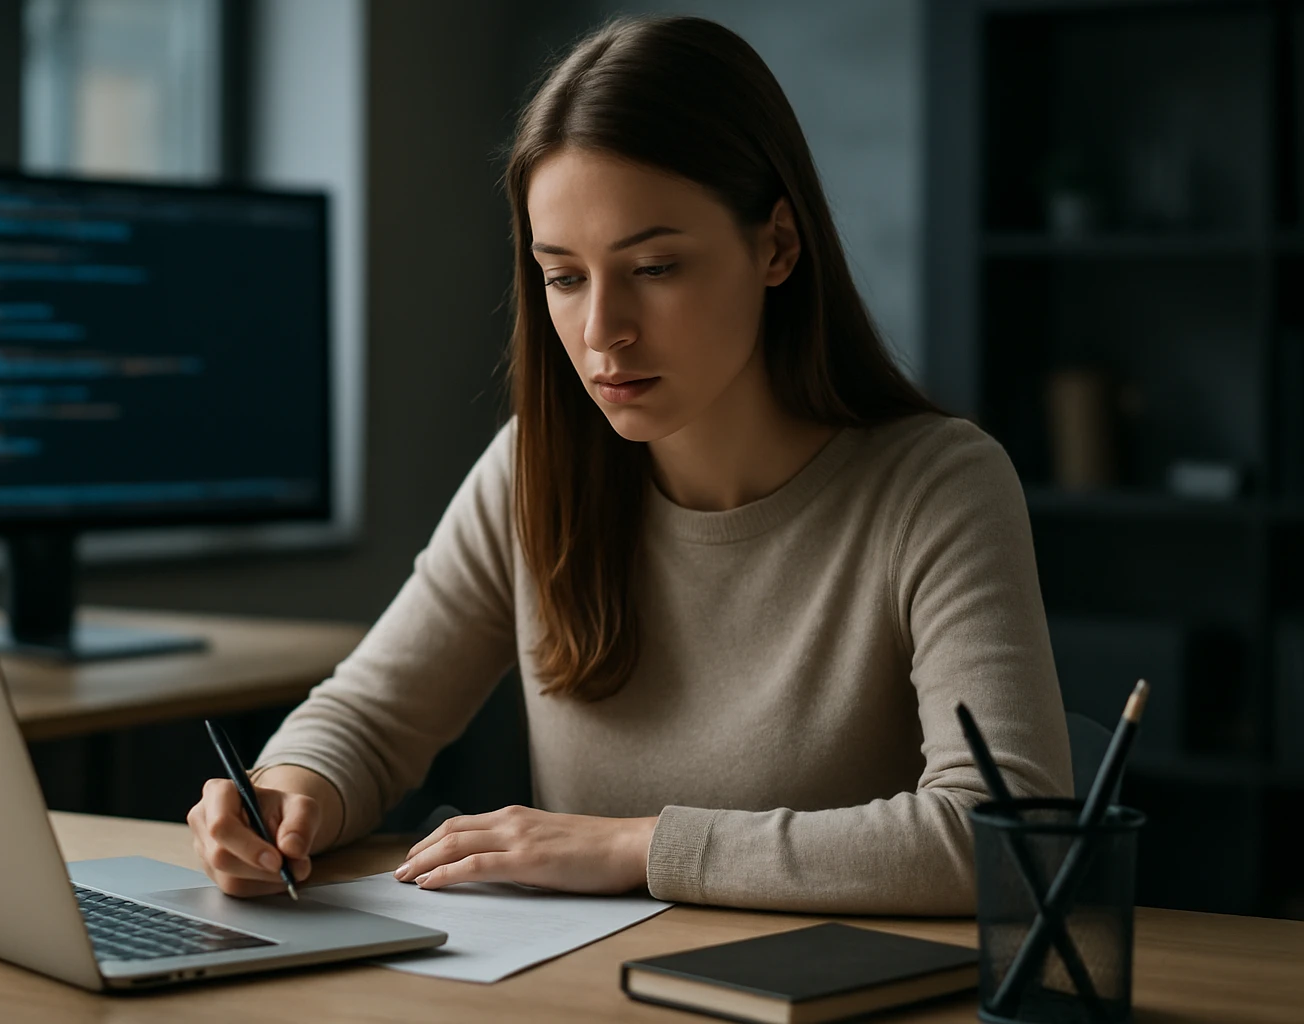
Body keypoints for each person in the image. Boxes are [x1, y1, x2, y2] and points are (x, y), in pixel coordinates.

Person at [186, 15, 1071, 915]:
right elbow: (370, 719)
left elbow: (1011, 833)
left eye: (653, 266)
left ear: (777, 245)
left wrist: (635, 846)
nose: (603, 330)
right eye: (564, 276)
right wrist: (285, 794)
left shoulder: (939, 486)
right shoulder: (533, 469)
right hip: (581, 995)